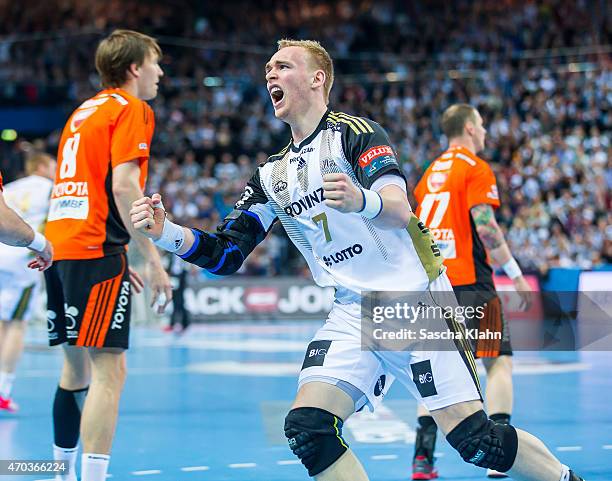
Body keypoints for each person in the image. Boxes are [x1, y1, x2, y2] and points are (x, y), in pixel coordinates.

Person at [130, 39, 585, 481]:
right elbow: (226, 255)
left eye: (283, 65)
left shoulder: (356, 133)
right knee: (308, 429)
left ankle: (564, 477)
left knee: (475, 441)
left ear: (317, 78)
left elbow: (398, 209)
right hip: (350, 310)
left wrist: (360, 200)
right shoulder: (271, 175)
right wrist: (166, 232)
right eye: (268, 68)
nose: (270, 72)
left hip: (412, 303)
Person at [43, 30, 172, 481]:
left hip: (61, 249)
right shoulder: (132, 108)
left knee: (74, 368)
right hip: (94, 250)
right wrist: (151, 261)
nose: (160, 72)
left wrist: (115, 258)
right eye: (155, 62)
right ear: (135, 68)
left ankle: (61, 473)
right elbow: (123, 186)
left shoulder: (82, 112)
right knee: (109, 372)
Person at [411, 103, 534, 480]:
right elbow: (486, 227)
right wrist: (514, 273)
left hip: (432, 286)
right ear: (468, 127)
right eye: (481, 125)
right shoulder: (475, 168)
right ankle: (500, 459)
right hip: (472, 283)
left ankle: (422, 460)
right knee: (498, 362)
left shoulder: (431, 171)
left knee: (435, 372)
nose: (484, 132)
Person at [0, 153, 56, 413]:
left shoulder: (10, 187)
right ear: (42, 166)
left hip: (1, 250)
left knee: (1, 320)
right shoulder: (51, 189)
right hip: (24, 256)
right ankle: (3, 389)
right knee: (17, 324)